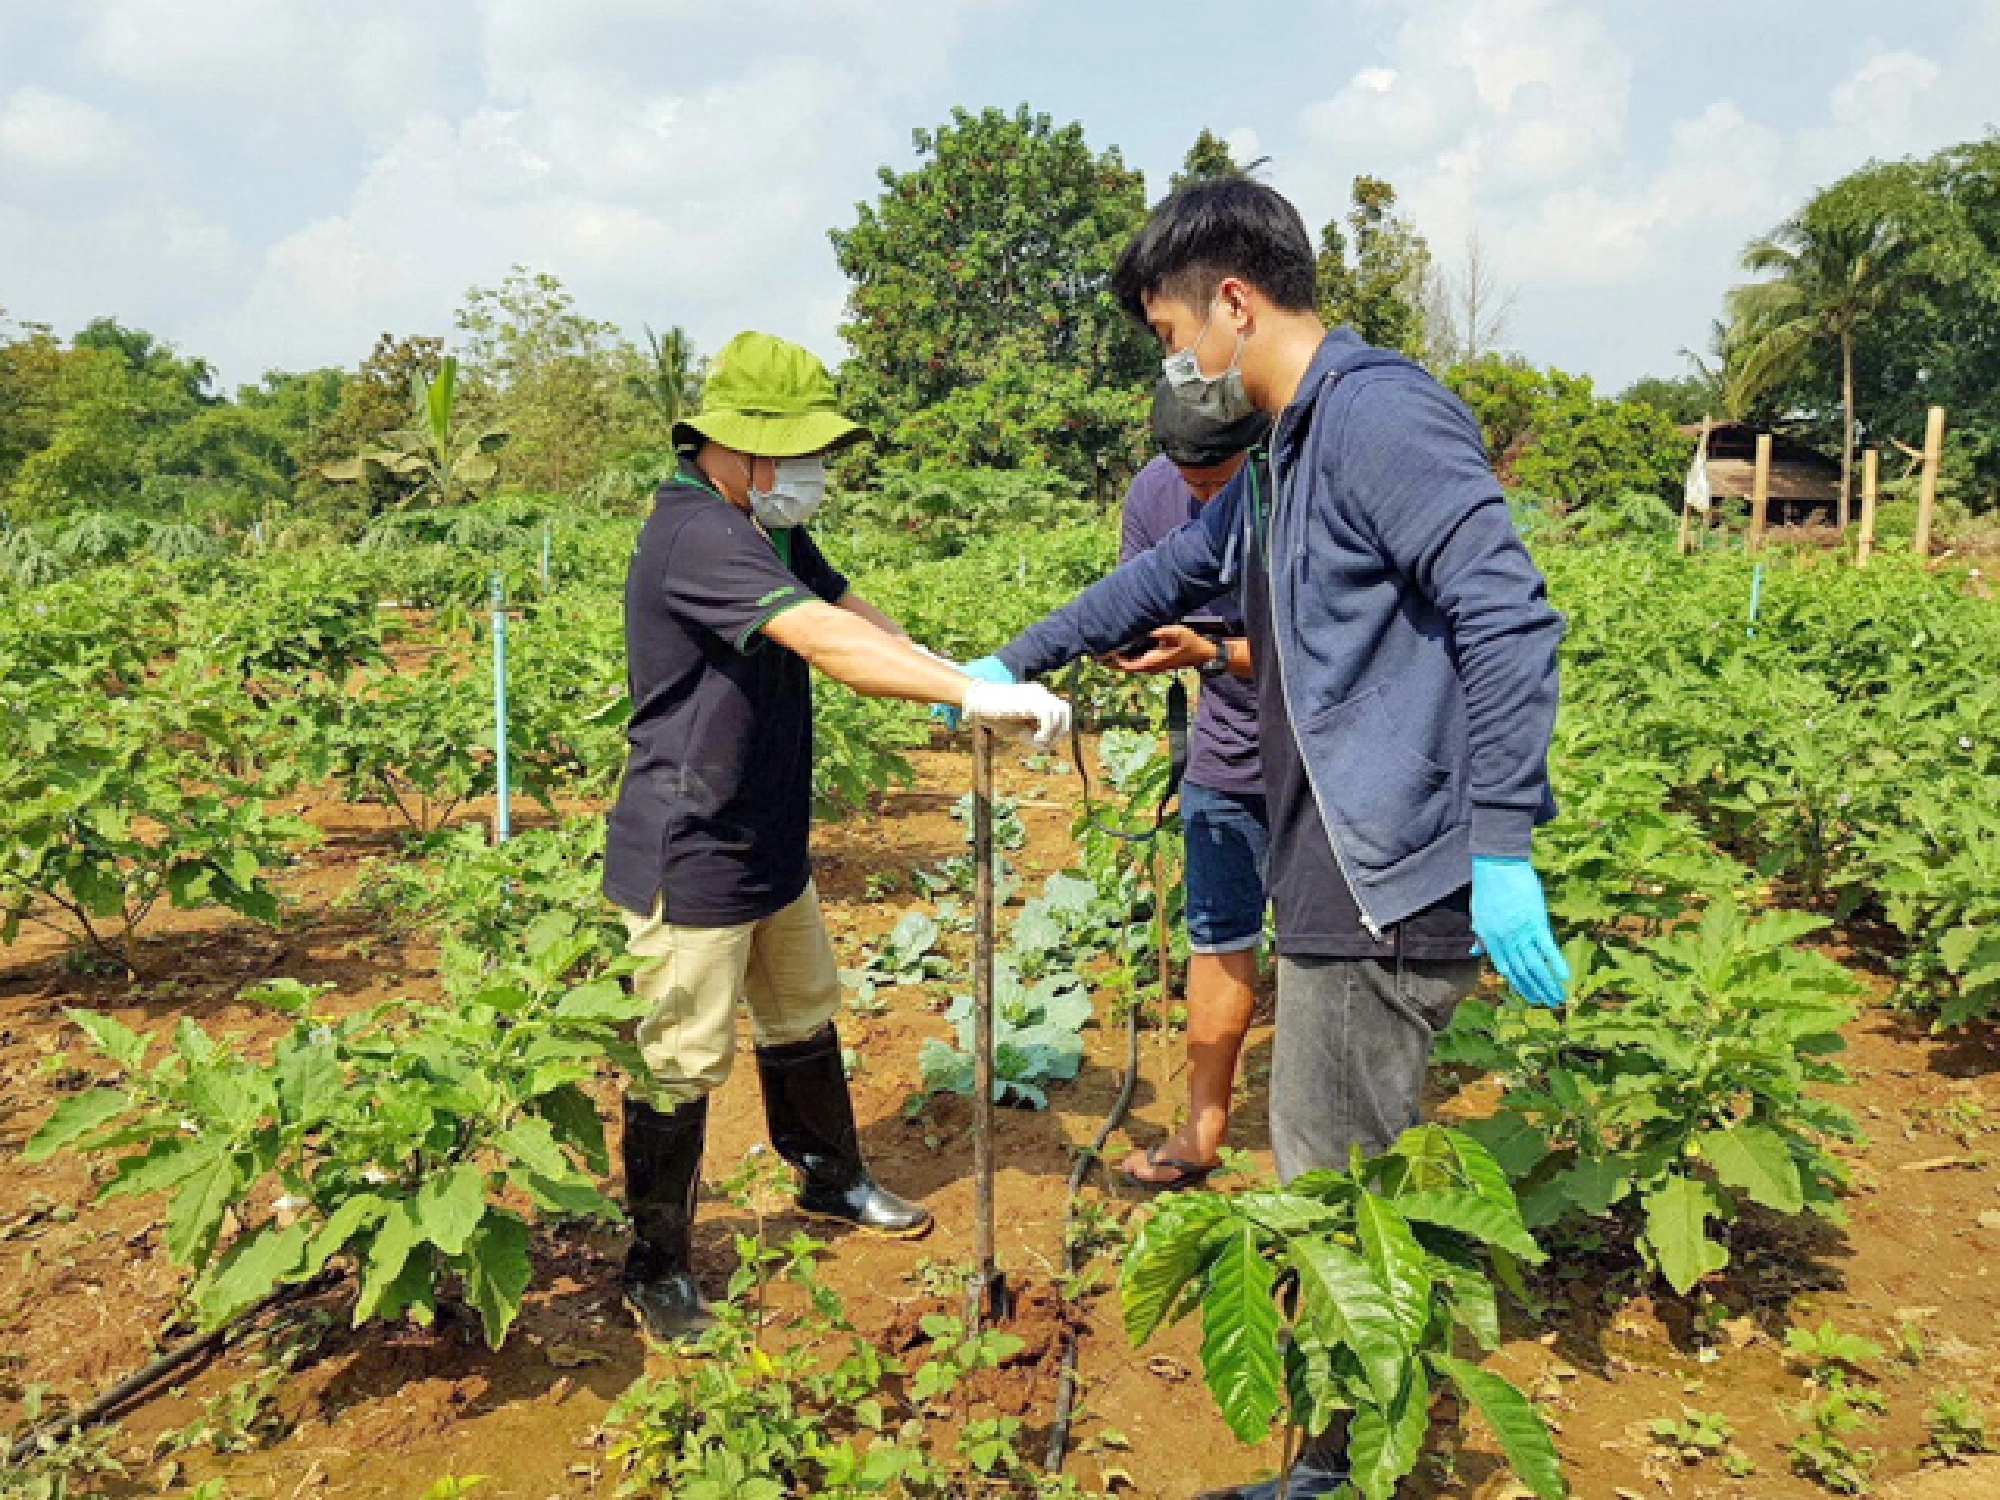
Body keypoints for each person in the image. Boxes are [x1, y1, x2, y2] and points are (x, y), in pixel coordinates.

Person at [961, 180, 1569, 1498]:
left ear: (1233, 302)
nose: (1178, 361)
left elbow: (1508, 613)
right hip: (1334, 863)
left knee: (1333, 1196)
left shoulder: (1376, 416)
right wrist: (1016, 654)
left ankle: (1347, 1468)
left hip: (1388, 877)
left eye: (1174, 330)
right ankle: (1350, 1450)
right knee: (1333, 1172)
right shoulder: (1290, 450)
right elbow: (1178, 574)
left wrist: (1505, 838)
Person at [603, 331, 1072, 1343]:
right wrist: (963, 694)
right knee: (679, 1057)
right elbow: (821, 644)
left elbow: (846, 610)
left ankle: (827, 1176)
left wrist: (964, 677)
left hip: (762, 831)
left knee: (802, 1010)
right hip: (689, 846)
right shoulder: (695, 534)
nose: (814, 474)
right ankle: (654, 1264)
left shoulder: (763, 528)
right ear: (738, 447)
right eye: (800, 453)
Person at [1110, 382, 1271, 1191]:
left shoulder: (1298, 487)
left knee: (1331, 949)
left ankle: (1338, 1152)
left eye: (1221, 481)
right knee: (1218, 928)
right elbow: (1141, 595)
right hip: (1229, 740)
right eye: (1193, 486)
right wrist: (1129, 640)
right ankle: (1203, 1133)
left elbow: (1332, 645)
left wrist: (1214, 656)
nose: (1206, 500)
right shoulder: (1150, 494)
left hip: (1324, 749)